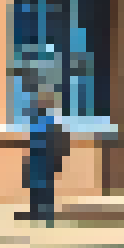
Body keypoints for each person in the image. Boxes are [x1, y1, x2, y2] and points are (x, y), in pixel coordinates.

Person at [24, 86, 70, 226]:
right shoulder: (35, 118)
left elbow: (59, 138)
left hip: (46, 154)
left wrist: (59, 157)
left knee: (45, 184)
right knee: (36, 184)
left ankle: (46, 214)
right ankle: (36, 212)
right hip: (37, 154)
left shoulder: (52, 120)